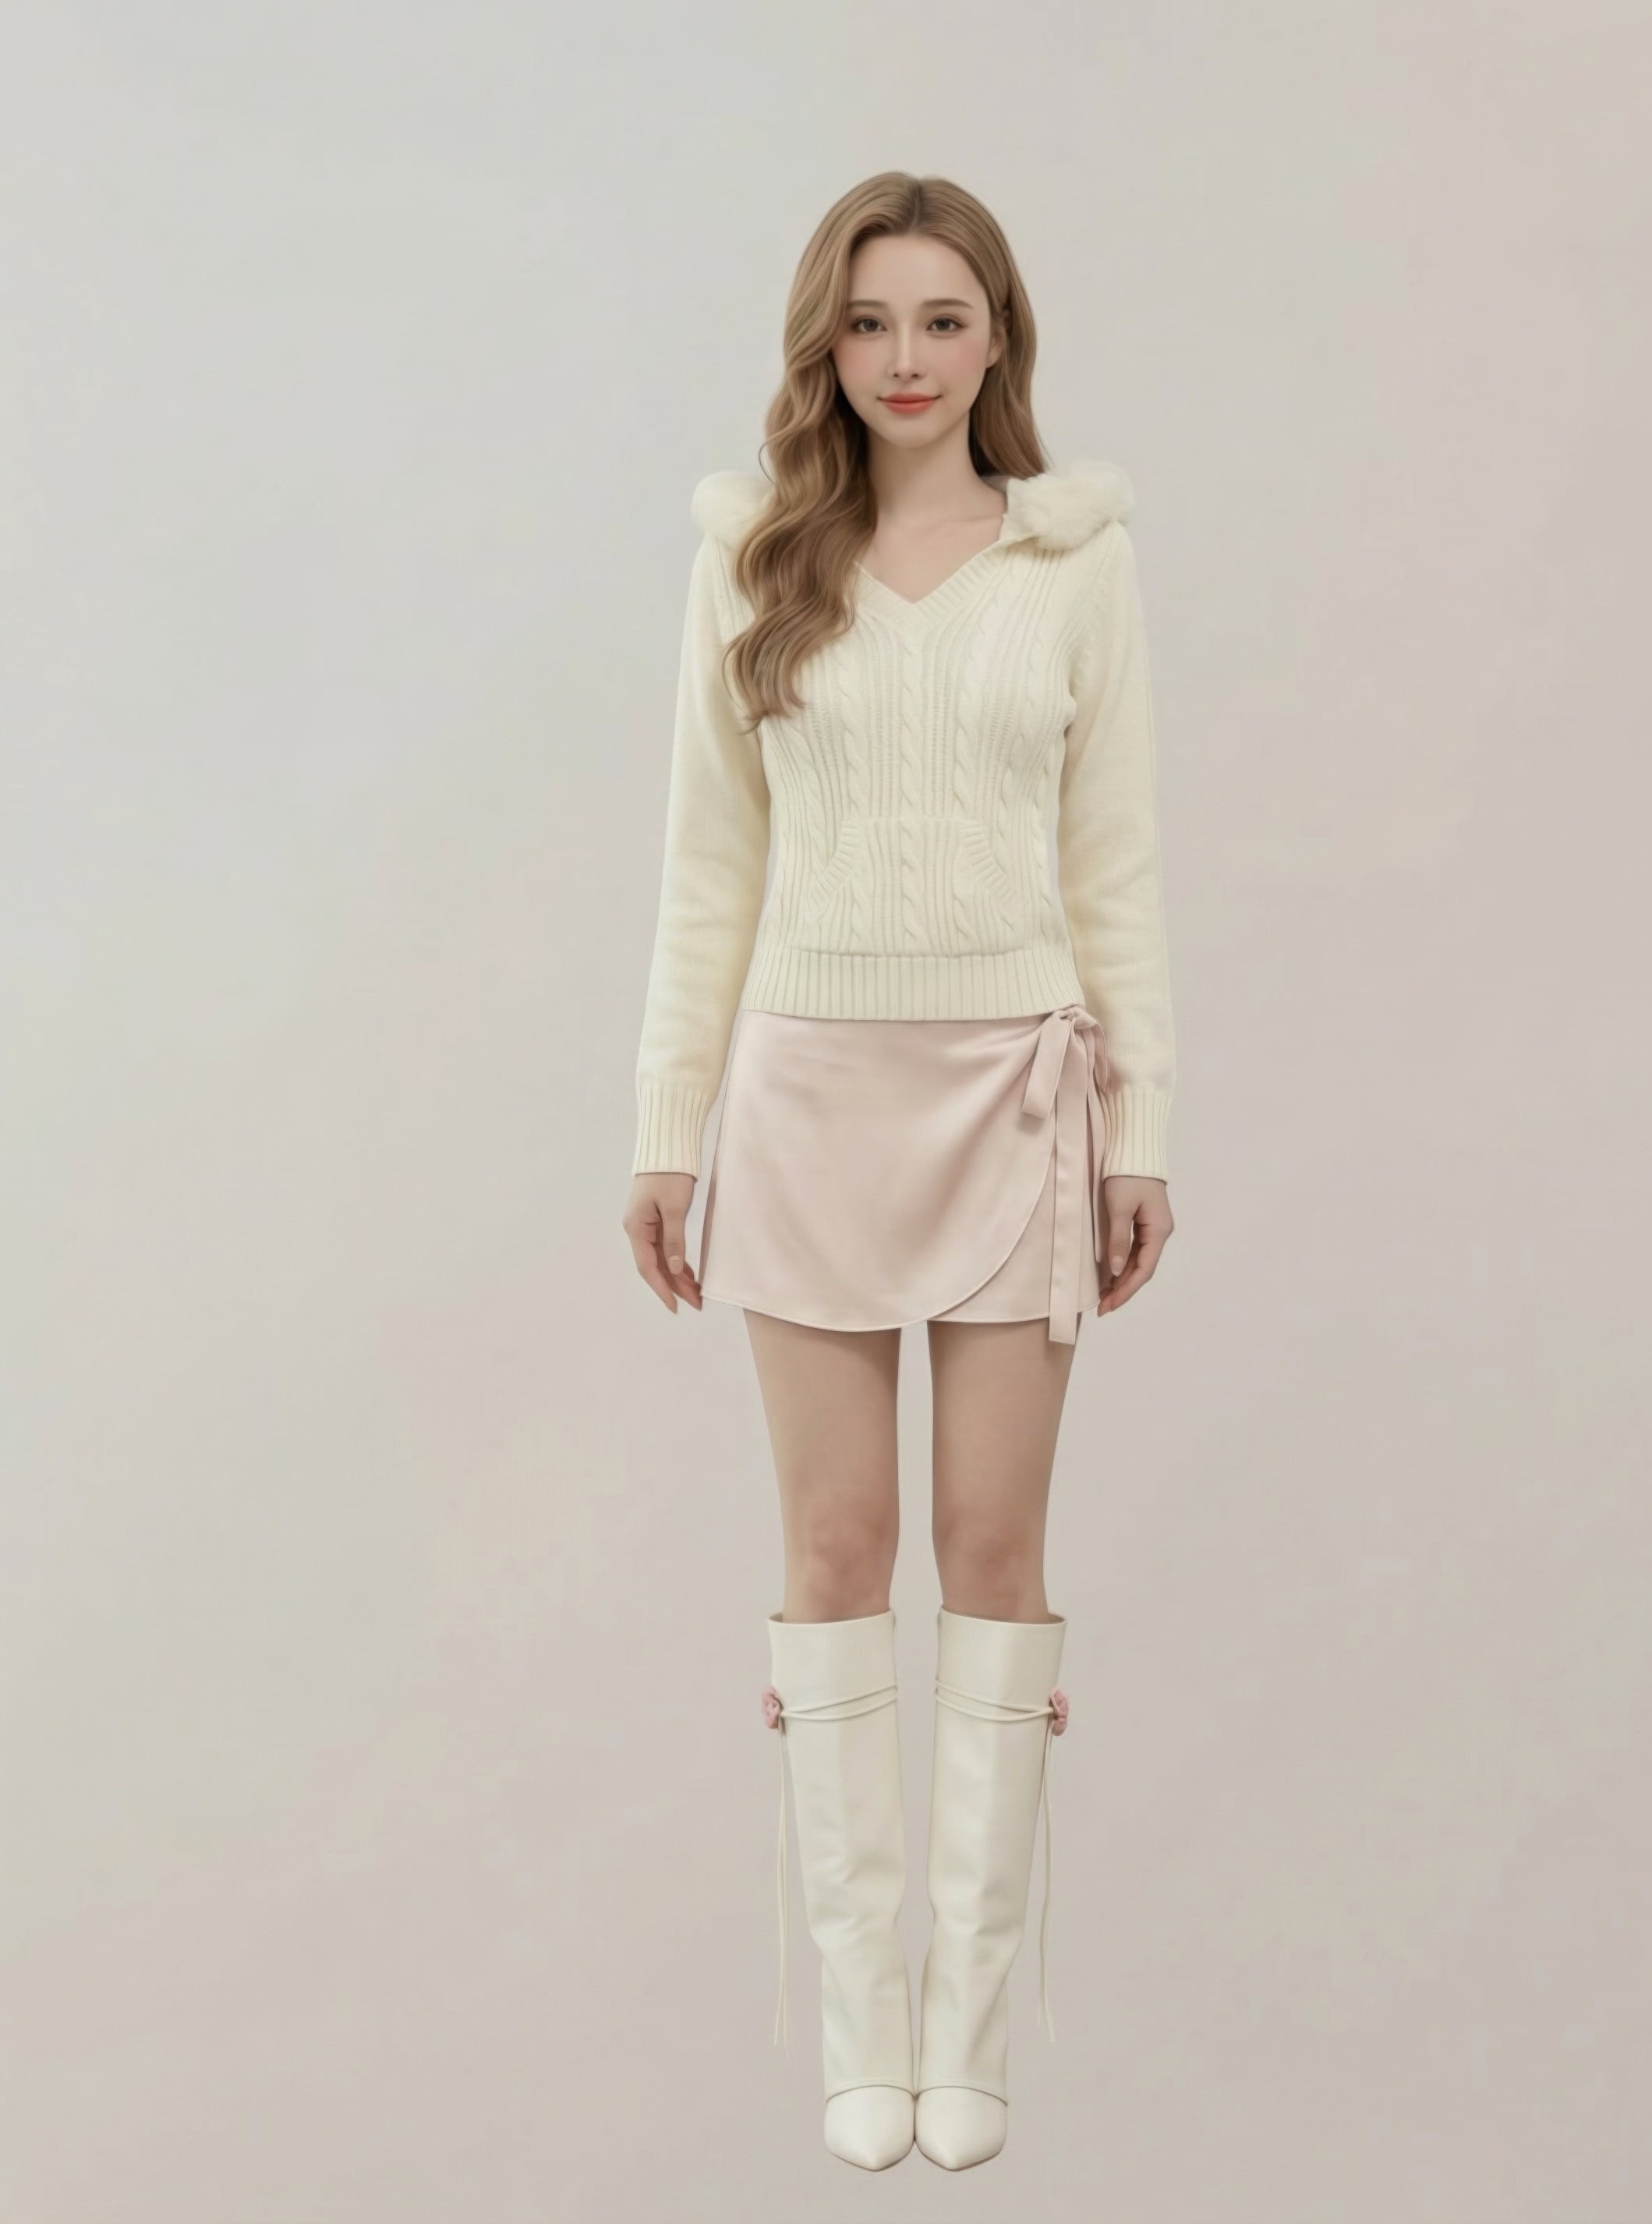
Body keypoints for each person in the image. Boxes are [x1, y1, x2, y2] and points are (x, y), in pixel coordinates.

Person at [620, 170, 1176, 2173]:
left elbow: (1116, 865)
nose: (909, 358)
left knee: (994, 1557)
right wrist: (669, 1127)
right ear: (825, 345)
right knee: (838, 1550)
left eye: (945, 318)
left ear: (997, 334)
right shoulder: (754, 555)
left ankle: (970, 2028)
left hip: (1017, 1095)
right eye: (871, 322)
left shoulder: (1074, 561)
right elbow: (710, 870)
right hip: (806, 1095)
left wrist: (1145, 1128)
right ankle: (863, 2016)